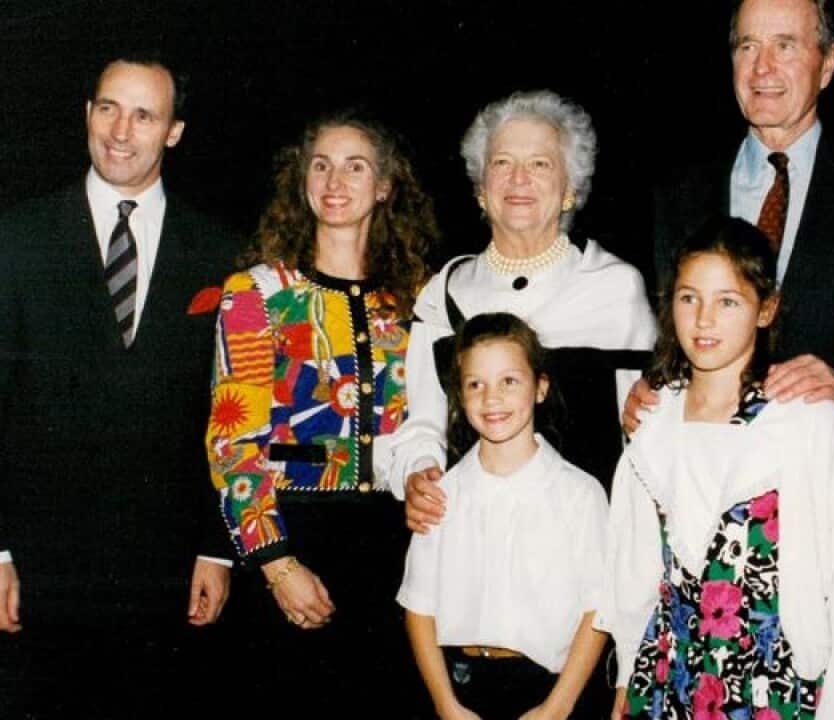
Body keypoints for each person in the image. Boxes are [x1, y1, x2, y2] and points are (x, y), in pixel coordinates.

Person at [627, 0, 834, 713]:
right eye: (747, 47)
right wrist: (650, 389)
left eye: (786, 45)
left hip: (833, 549)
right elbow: (668, 344)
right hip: (699, 577)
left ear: (828, 62)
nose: (763, 68)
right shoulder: (678, 192)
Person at [0, 53, 237, 715]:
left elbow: (231, 412)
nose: (121, 130)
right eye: (108, 107)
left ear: (175, 130)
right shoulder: (17, 240)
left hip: (167, 575)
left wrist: (216, 550)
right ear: (87, 114)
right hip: (41, 571)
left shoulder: (220, 252)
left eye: (144, 114)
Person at [205, 109, 437, 712]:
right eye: (322, 165)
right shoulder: (257, 294)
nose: (336, 181)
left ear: (384, 185)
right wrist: (278, 565)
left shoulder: (418, 299)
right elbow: (234, 446)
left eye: (355, 166)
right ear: (302, 180)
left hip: (398, 548)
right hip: (294, 536)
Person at [599, 216, 834, 719]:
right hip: (667, 681)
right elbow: (634, 575)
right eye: (688, 298)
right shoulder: (653, 422)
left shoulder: (807, 420)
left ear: (765, 309)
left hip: (775, 685)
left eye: (728, 302)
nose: (703, 320)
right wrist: (626, 681)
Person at [388, 89, 656, 531]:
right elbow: (422, 424)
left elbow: (646, 432)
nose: (518, 179)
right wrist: (418, 473)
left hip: (584, 535)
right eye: (502, 163)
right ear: (480, 188)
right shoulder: (445, 293)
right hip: (470, 529)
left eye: (540, 164)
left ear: (570, 188)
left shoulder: (613, 286)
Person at [399, 312, 610, 719]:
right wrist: (446, 705)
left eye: (509, 381)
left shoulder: (579, 494)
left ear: (540, 387)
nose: (491, 398)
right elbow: (419, 606)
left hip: (548, 691)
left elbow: (598, 609)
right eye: (475, 384)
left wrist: (556, 707)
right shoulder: (442, 494)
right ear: (460, 395)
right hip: (460, 688)